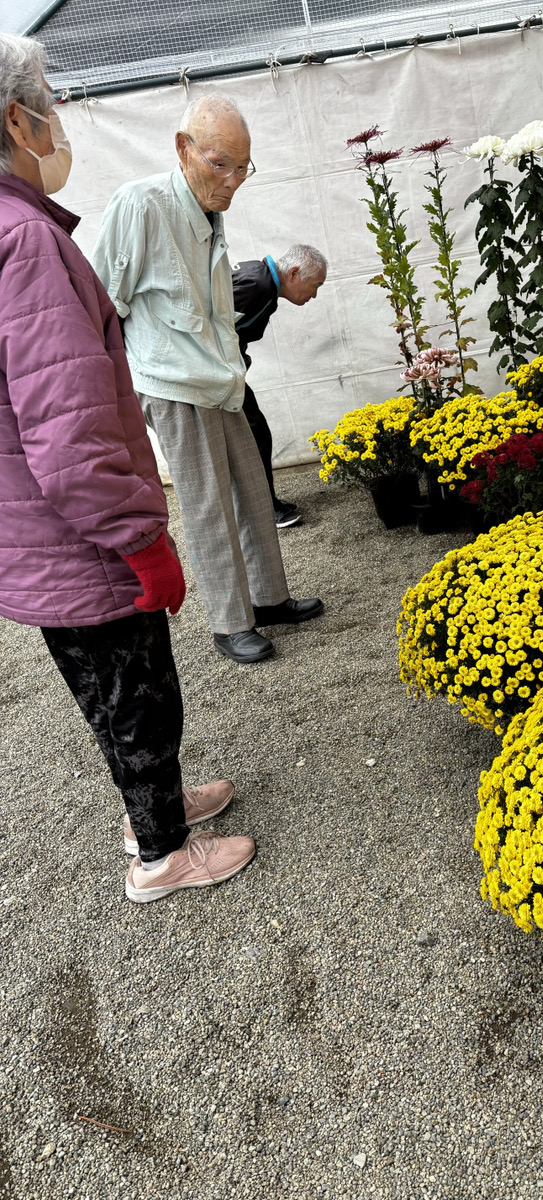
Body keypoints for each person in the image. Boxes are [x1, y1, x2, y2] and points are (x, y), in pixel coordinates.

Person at [0, 33, 256, 901]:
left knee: (107, 695)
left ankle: (157, 808)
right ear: (15, 119)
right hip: (80, 541)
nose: (57, 119)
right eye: (48, 100)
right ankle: (162, 856)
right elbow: (68, 432)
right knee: (139, 693)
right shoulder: (27, 242)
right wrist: (141, 538)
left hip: (36, 534)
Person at [91, 95, 323, 664]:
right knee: (208, 504)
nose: (233, 180)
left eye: (243, 166)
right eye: (220, 164)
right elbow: (102, 302)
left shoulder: (210, 210)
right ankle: (228, 622)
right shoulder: (140, 204)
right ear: (183, 149)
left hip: (221, 381)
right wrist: (123, 392)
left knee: (251, 487)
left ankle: (268, 600)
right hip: (172, 384)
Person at [232, 243, 328, 528]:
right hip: (212, 375)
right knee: (254, 435)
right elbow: (207, 324)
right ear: (295, 273)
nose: (314, 294)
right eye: (315, 285)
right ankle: (263, 510)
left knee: (255, 433)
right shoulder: (257, 286)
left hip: (223, 371)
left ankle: (264, 505)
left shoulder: (258, 277)